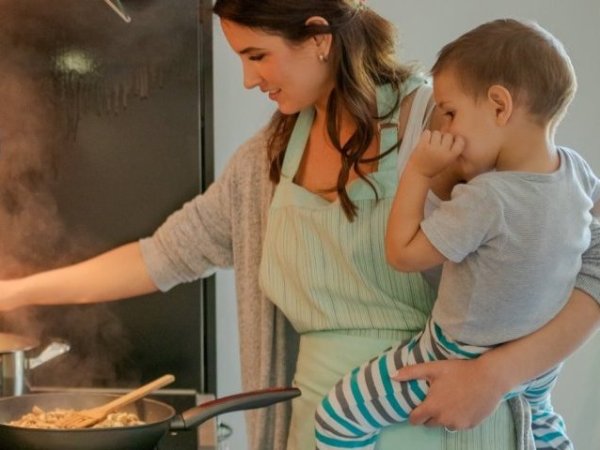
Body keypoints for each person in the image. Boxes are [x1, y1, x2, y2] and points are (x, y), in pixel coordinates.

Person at [0, 2, 598, 450]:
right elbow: (163, 255)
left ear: (317, 37)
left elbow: (583, 252)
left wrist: (498, 374)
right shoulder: (266, 160)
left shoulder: (438, 120)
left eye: (256, 54)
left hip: (442, 416)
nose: (247, 79)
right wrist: (15, 293)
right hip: (322, 423)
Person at [314, 18, 599, 450]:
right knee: (541, 423)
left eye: (449, 112)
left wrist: (419, 172)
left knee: (337, 416)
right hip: (539, 361)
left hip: (457, 351)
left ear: (500, 107)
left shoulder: (487, 199)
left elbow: (402, 254)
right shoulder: (576, 171)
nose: (443, 128)